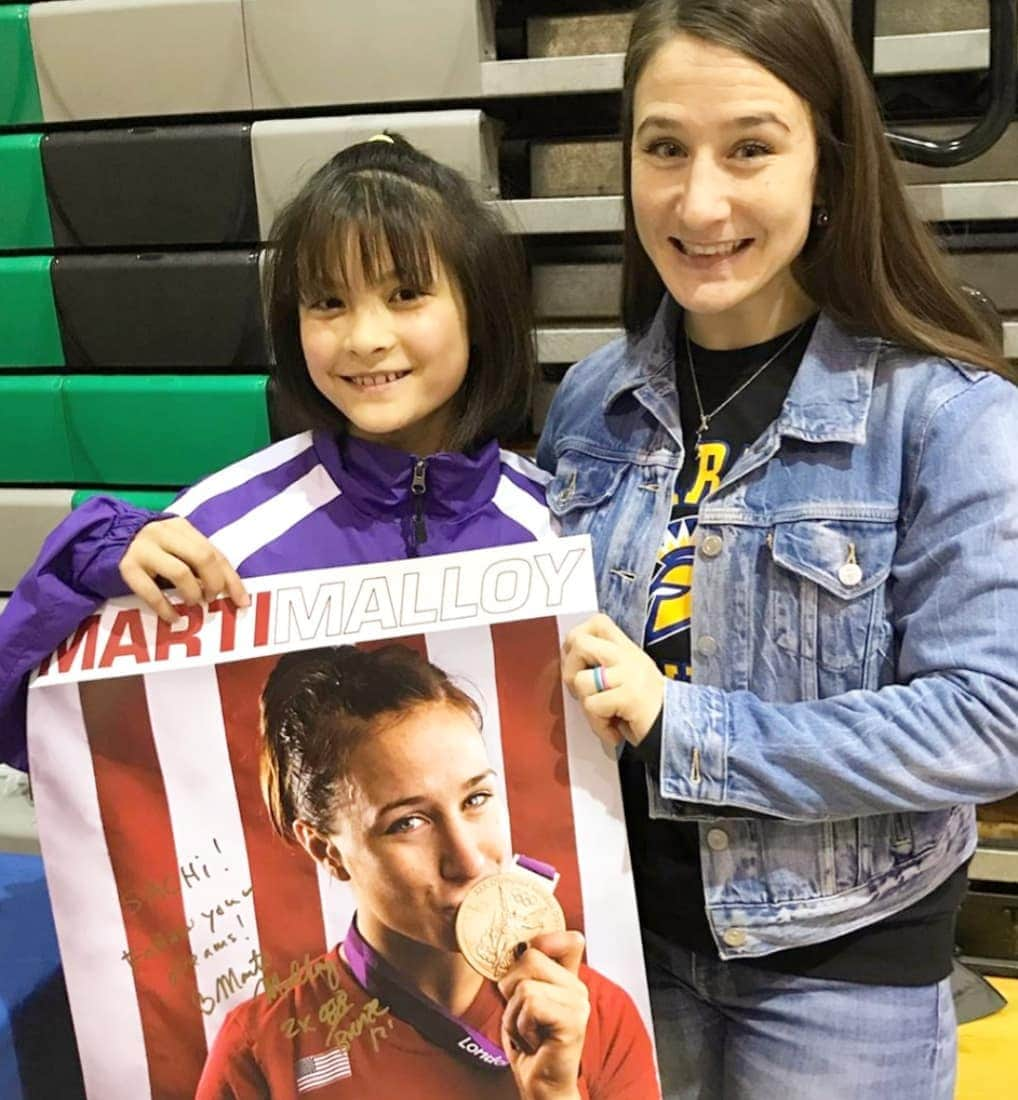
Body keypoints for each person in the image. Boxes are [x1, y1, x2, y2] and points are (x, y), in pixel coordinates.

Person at [538, 1, 1018, 1098]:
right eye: (664, 148)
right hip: (616, 955)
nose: (699, 200)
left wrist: (686, 727)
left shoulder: (942, 415)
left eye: (749, 146)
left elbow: (991, 717)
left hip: (840, 981)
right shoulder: (592, 403)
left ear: (827, 164)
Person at [0, 134, 552, 771]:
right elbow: (27, 733)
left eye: (405, 294)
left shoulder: (557, 526)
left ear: (478, 310)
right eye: (328, 302)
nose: (366, 338)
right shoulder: (215, 536)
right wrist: (84, 562)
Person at [196, 643, 659, 1099]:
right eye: (408, 822)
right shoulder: (261, 1053)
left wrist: (554, 1095)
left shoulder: (594, 1014)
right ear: (325, 849)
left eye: (475, 799)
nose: (468, 860)